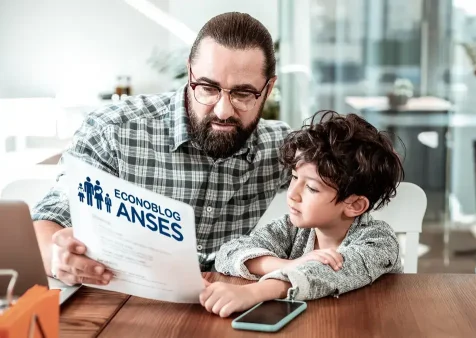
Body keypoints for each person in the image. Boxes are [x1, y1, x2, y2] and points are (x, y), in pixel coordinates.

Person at [31, 12, 291, 287]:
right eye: (207, 87)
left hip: (230, 307)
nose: (223, 111)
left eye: (243, 94)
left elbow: (338, 179)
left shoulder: (280, 147)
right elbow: (51, 216)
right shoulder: (114, 130)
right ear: (190, 71)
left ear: (268, 87)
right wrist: (55, 255)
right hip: (125, 306)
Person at [200, 111, 404, 318]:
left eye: (312, 188)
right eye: (294, 177)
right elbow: (228, 253)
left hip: (363, 324)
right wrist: (289, 265)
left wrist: (254, 292)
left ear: (355, 205)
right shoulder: (291, 228)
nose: (292, 194)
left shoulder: (379, 241)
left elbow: (332, 274)